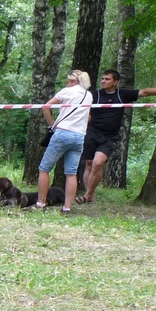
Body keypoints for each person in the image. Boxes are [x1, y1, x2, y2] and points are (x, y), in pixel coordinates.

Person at [77, 69, 156, 204]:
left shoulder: (122, 95)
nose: (103, 81)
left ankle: (87, 195)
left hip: (109, 137)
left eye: (107, 79)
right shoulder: (94, 95)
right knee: (89, 164)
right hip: (92, 134)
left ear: (115, 82)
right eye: (102, 79)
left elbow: (144, 92)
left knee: (98, 163)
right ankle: (90, 197)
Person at [35, 69, 92, 213]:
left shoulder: (66, 92)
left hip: (63, 132)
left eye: (69, 81)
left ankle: (41, 203)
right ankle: (67, 207)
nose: (67, 84)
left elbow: (46, 107)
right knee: (71, 173)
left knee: (44, 169)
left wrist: (52, 125)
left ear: (75, 81)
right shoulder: (89, 95)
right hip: (79, 136)